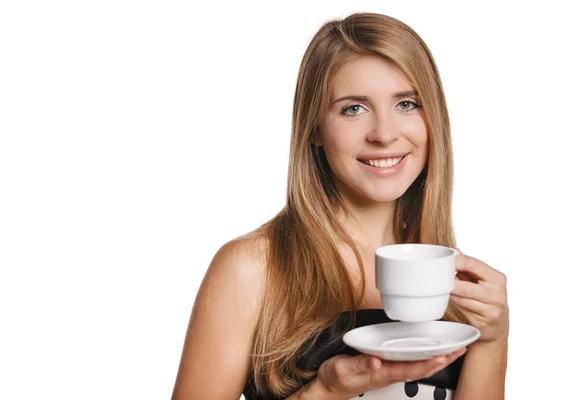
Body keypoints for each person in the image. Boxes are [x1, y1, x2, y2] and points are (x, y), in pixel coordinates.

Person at [171, 12, 509, 400]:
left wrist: (492, 339)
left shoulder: (452, 279)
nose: (384, 134)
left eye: (406, 103)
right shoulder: (252, 268)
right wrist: (325, 391)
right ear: (314, 127)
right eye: (353, 108)